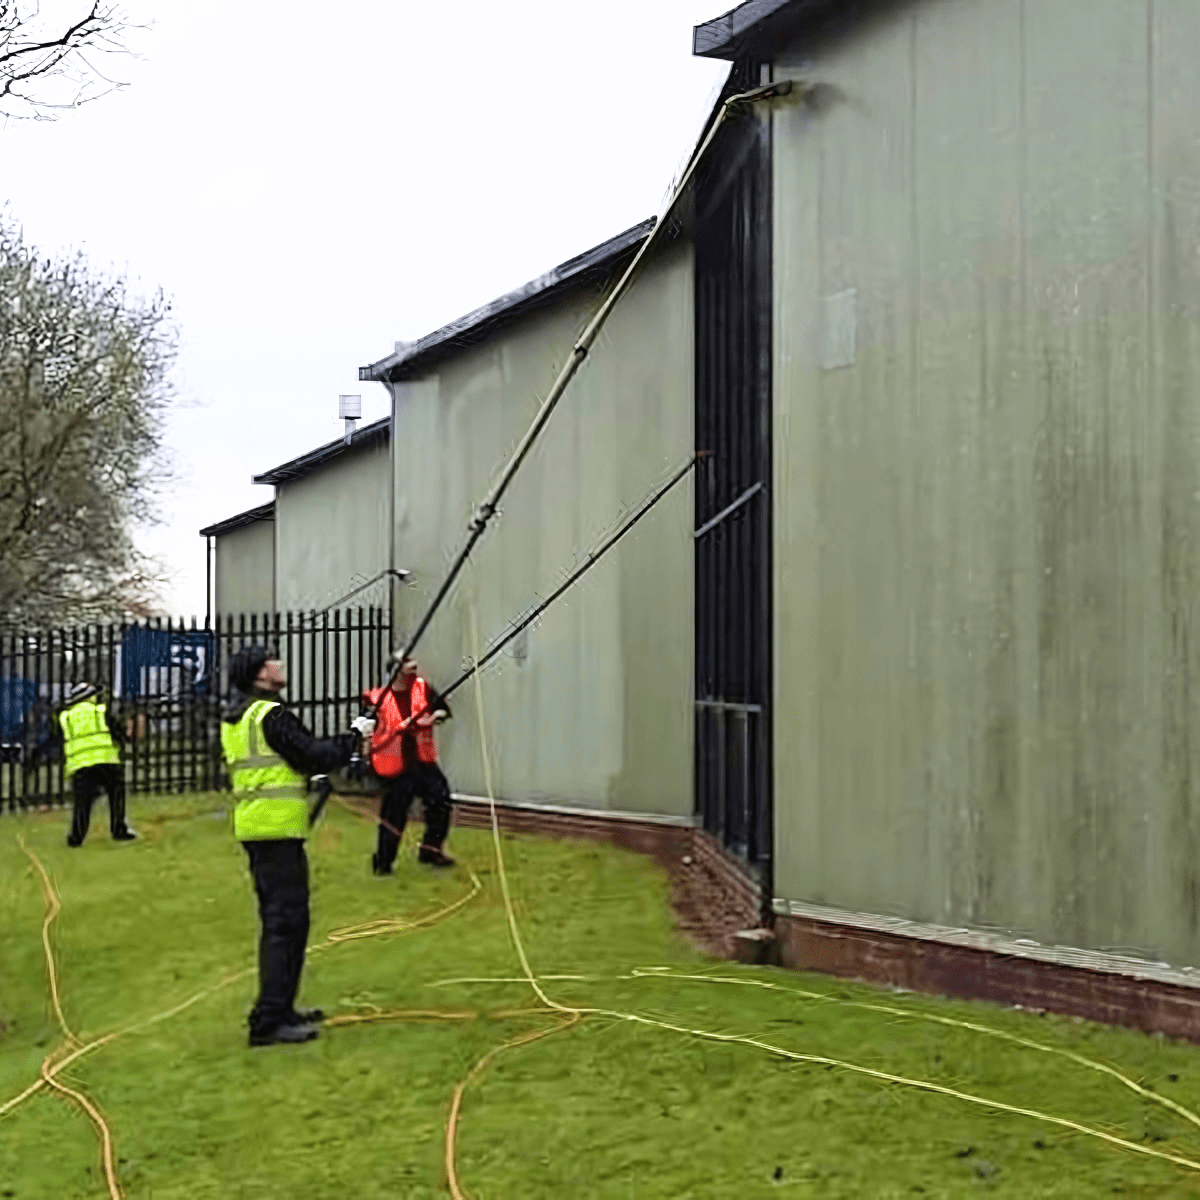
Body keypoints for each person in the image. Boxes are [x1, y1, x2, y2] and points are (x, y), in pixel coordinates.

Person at [221, 644, 375, 1048]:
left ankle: (281, 1007)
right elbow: (314, 755)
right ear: (259, 674)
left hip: (257, 827)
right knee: (284, 925)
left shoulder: (238, 718)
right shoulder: (270, 715)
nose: (280, 663)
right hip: (276, 831)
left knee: (286, 922)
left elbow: (288, 761)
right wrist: (355, 734)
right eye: (272, 660)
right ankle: (268, 1021)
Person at [362, 653, 456, 875]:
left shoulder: (423, 689)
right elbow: (364, 729)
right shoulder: (377, 698)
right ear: (396, 669)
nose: (414, 664)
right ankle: (383, 862)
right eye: (406, 661)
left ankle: (431, 851)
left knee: (441, 802)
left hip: (423, 760)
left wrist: (432, 719)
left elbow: (443, 710)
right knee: (395, 814)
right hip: (395, 764)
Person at [58, 683, 137, 847]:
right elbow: (117, 733)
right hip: (106, 759)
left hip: (80, 763)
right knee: (116, 794)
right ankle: (119, 829)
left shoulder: (66, 717)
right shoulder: (100, 711)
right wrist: (125, 739)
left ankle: (76, 837)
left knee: (82, 802)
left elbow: (61, 739)